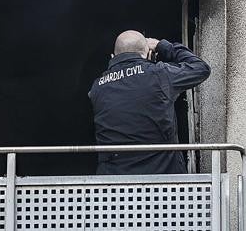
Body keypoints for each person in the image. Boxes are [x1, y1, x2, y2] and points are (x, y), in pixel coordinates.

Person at [87, 29, 211, 174]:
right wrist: (162, 45)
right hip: (163, 180)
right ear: (148, 54)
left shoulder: (97, 88)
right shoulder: (159, 74)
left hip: (114, 182)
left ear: (112, 57)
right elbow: (201, 68)